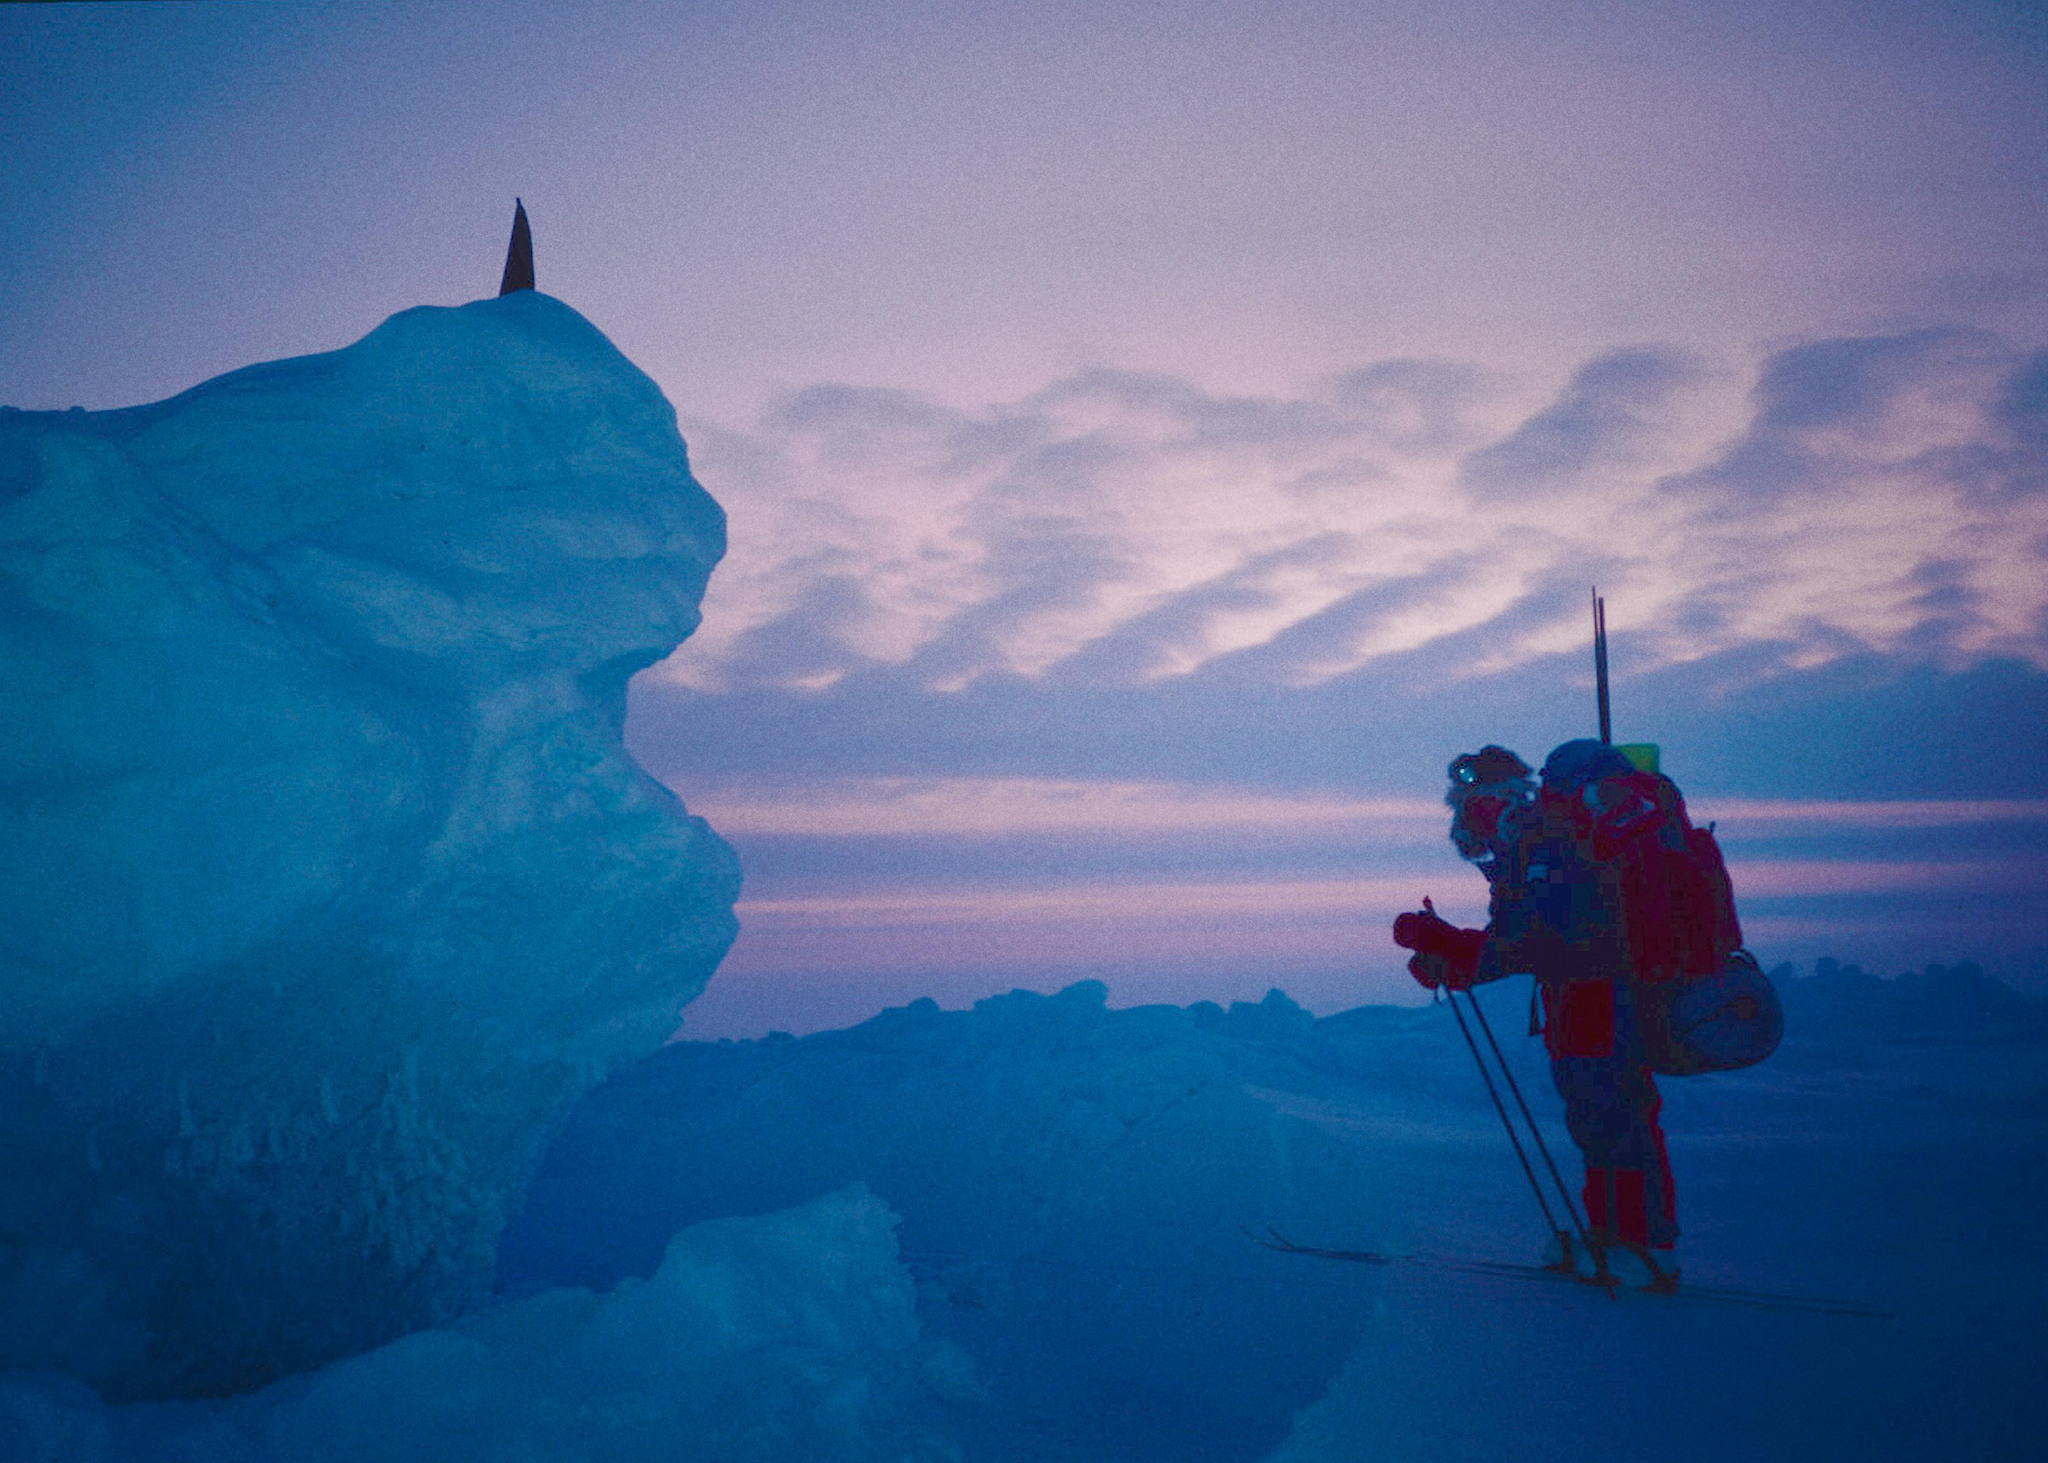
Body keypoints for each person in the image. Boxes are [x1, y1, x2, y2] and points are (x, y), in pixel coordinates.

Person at [1393, 739, 1682, 1291]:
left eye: (1471, 806)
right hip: (1579, 993)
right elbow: (1528, 937)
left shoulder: (1543, 843)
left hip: (1596, 990)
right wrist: (1454, 953)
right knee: (1599, 1116)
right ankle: (1616, 1237)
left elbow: (1540, 937)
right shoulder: (1537, 842)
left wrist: (1456, 953)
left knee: (1612, 1115)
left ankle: (1646, 1246)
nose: (1469, 821)